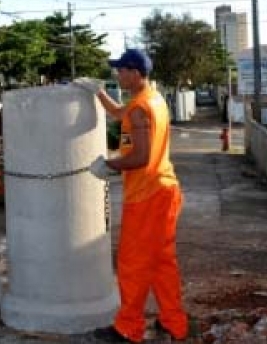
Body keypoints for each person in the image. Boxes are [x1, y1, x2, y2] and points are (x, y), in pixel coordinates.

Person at [75, 49, 188, 343]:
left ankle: (128, 329)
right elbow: (118, 114)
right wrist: (98, 93)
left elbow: (140, 156)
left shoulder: (140, 108)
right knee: (162, 263)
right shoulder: (152, 99)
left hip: (148, 195)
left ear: (135, 73)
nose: (117, 75)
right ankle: (174, 324)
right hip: (164, 190)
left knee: (133, 264)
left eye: (121, 70)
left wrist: (108, 165)